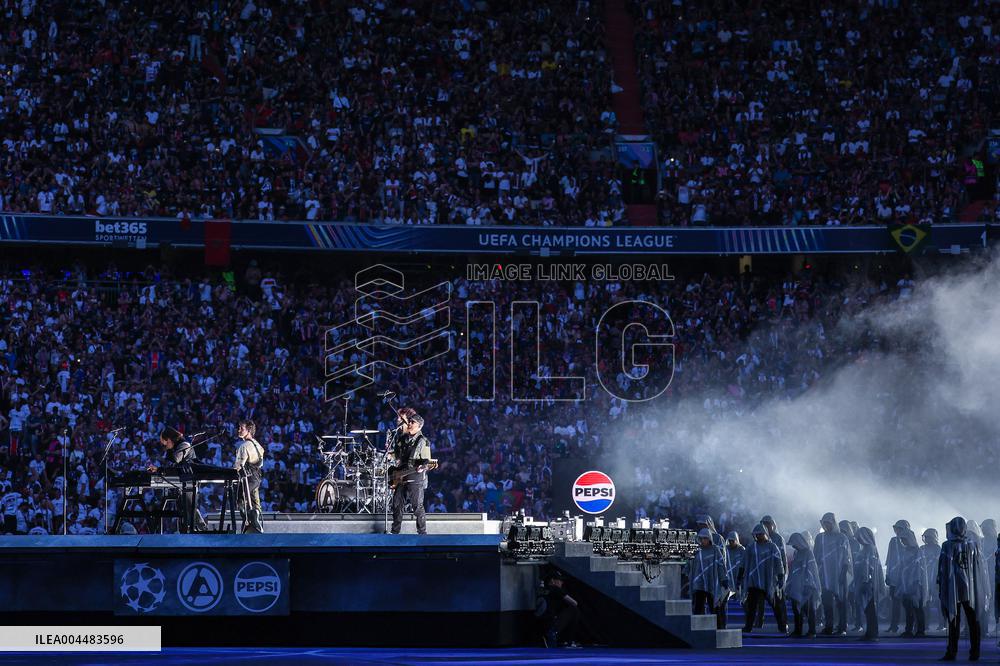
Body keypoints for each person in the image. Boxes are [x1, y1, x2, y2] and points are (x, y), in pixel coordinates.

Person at [938, 516, 986, 661]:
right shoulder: (973, 544)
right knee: (972, 621)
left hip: (955, 588)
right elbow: (979, 568)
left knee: (956, 621)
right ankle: (974, 652)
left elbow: (942, 569)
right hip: (969, 588)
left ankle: (952, 652)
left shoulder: (947, 545)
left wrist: (941, 585)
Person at [147, 427, 207, 533]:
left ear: (169, 440)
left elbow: (174, 462)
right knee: (185, 507)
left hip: (189, 479)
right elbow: (169, 463)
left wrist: (160, 468)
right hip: (183, 479)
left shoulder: (184, 445)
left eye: (164, 444)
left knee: (190, 506)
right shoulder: (174, 447)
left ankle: (201, 529)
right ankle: (192, 530)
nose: (164, 447)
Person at [389, 408, 432, 535]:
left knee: (417, 506)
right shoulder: (403, 438)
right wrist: (391, 454)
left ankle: (422, 533)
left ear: (419, 426)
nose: (410, 423)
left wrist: (422, 467)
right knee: (397, 505)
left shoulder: (423, 441)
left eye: (413, 422)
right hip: (401, 475)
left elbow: (427, 461)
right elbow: (397, 455)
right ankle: (395, 531)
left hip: (415, 476)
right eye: (410, 421)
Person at [742, 523, 787, 634]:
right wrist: (740, 576)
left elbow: (779, 563)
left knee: (776, 606)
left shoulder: (772, 547)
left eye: (761, 534)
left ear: (765, 534)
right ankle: (748, 627)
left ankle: (782, 627)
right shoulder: (751, 547)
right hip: (754, 581)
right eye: (756, 534)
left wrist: (781, 576)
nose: (758, 536)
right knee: (752, 607)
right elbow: (744, 562)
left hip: (769, 581)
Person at [814, 512, 852, 635]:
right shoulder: (820, 538)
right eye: (824, 523)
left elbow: (846, 558)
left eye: (829, 523)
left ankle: (842, 627)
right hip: (824, 575)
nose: (826, 526)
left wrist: (843, 573)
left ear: (834, 523)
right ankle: (829, 626)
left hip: (839, 574)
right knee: (827, 602)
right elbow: (815, 555)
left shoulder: (842, 538)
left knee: (841, 602)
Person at [689, 528, 732, 629]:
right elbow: (691, 564)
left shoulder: (715, 550)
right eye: (701, 538)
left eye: (705, 538)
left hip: (712, 583)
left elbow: (721, 565)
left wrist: (723, 579)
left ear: (709, 538)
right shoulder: (696, 550)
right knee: (698, 607)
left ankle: (719, 628)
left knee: (715, 607)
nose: (703, 540)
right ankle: (698, 628)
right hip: (699, 584)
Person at [786, 532, 821, 638]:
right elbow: (793, 571)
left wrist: (808, 584)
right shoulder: (797, 553)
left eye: (794, 544)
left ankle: (812, 631)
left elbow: (811, 570)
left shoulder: (808, 553)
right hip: (796, 587)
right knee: (796, 610)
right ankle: (798, 630)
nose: (793, 546)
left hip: (807, 586)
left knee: (809, 610)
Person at [233, 419, 264, 534]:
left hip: (248, 478)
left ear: (249, 430)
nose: (239, 430)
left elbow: (238, 466)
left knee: (239, 500)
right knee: (255, 504)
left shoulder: (244, 446)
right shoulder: (258, 445)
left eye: (242, 428)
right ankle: (255, 521)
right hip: (257, 478)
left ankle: (250, 522)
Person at [855, 527, 886, 641]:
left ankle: (873, 633)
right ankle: (869, 632)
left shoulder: (870, 549)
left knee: (871, 609)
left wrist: (866, 581)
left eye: (859, 537)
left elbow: (870, 567)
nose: (858, 540)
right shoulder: (864, 549)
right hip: (863, 583)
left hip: (868, 584)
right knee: (867, 610)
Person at [897, 524, 927, 637]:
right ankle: (908, 629)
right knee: (908, 608)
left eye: (904, 539)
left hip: (915, 583)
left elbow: (919, 569)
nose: (903, 542)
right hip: (905, 584)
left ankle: (920, 630)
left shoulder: (917, 552)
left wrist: (916, 582)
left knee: (917, 607)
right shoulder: (905, 551)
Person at [539, 570, 580, 647]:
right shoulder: (555, 589)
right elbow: (574, 602)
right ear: (552, 580)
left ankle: (558, 636)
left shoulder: (542, 590)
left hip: (541, 624)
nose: (562, 582)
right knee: (574, 609)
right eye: (560, 580)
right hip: (549, 623)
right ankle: (564, 638)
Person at [885, 518, 910, 633]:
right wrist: (888, 574)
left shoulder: (910, 540)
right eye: (896, 529)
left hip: (906, 577)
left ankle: (910, 626)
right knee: (894, 602)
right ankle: (893, 625)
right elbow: (889, 558)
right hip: (894, 577)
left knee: (907, 602)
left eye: (899, 529)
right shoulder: (893, 541)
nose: (897, 531)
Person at [839, 520, 863, 631]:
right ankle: (846, 622)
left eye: (844, 530)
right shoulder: (841, 541)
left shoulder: (855, 543)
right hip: (845, 575)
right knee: (845, 601)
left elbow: (857, 559)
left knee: (856, 601)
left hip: (856, 575)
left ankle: (859, 624)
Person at [921, 528, 945, 631]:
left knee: (939, 603)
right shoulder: (922, 548)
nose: (927, 539)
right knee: (925, 603)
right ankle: (925, 624)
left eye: (929, 537)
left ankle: (942, 624)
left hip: (935, 579)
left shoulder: (938, 549)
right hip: (925, 579)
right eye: (926, 537)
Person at [726, 531, 747, 606]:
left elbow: (745, 562)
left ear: (736, 540)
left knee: (739, 591)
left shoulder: (742, 550)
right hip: (729, 574)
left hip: (739, 574)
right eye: (730, 541)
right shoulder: (726, 549)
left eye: (732, 541)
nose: (731, 542)